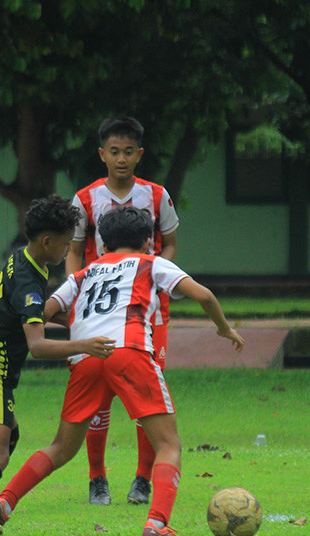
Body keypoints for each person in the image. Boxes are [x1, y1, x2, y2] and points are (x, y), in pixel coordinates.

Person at [0, 207, 243, 536]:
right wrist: (224, 329)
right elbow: (203, 295)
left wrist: (82, 327)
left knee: (61, 446)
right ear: (149, 241)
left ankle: (5, 501)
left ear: (102, 244)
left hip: (86, 355)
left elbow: (46, 311)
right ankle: (157, 524)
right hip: (128, 352)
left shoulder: (84, 273)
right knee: (168, 444)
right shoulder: (151, 263)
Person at [0, 195, 115, 536]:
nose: (70, 248)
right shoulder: (29, 282)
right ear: (47, 242)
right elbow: (37, 346)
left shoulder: (23, 260)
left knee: (10, 440)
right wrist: (85, 345)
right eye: (67, 242)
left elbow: (37, 316)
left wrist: (76, 324)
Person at [67, 116, 180, 507]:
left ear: (139, 154)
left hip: (149, 313)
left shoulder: (157, 195)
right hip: (100, 312)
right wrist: (77, 290)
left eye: (128, 152)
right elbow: (74, 250)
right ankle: (97, 478)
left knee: (146, 395)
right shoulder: (84, 199)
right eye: (114, 151)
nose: (121, 159)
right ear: (102, 154)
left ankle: (143, 479)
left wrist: (153, 274)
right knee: (96, 398)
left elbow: (170, 246)